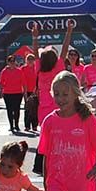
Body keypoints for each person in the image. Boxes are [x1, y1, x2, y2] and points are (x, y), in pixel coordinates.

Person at [31, 21, 74, 174]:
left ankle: (41, 165)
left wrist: (35, 37)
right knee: (61, 138)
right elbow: (64, 49)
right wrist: (69, 31)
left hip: (43, 110)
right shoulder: (58, 67)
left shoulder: (39, 70)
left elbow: (35, 53)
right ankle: (59, 164)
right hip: (59, 109)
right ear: (55, 59)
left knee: (45, 138)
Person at [0, 56, 25, 132]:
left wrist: (24, 93)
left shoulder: (19, 71)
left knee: (17, 109)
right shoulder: (4, 71)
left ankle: (16, 125)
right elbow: (0, 82)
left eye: (13, 61)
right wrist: (1, 92)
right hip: (7, 93)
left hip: (17, 93)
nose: (12, 63)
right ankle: (11, 125)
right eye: (10, 62)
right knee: (9, 110)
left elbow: (23, 83)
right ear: (8, 62)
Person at [22, 53, 38, 131]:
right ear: (26, 60)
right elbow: (21, 80)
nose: (30, 61)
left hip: (35, 91)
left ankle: (34, 125)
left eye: (32, 59)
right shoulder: (23, 69)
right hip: (26, 91)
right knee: (27, 109)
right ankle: (27, 126)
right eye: (29, 59)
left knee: (35, 109)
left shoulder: (37, 68)